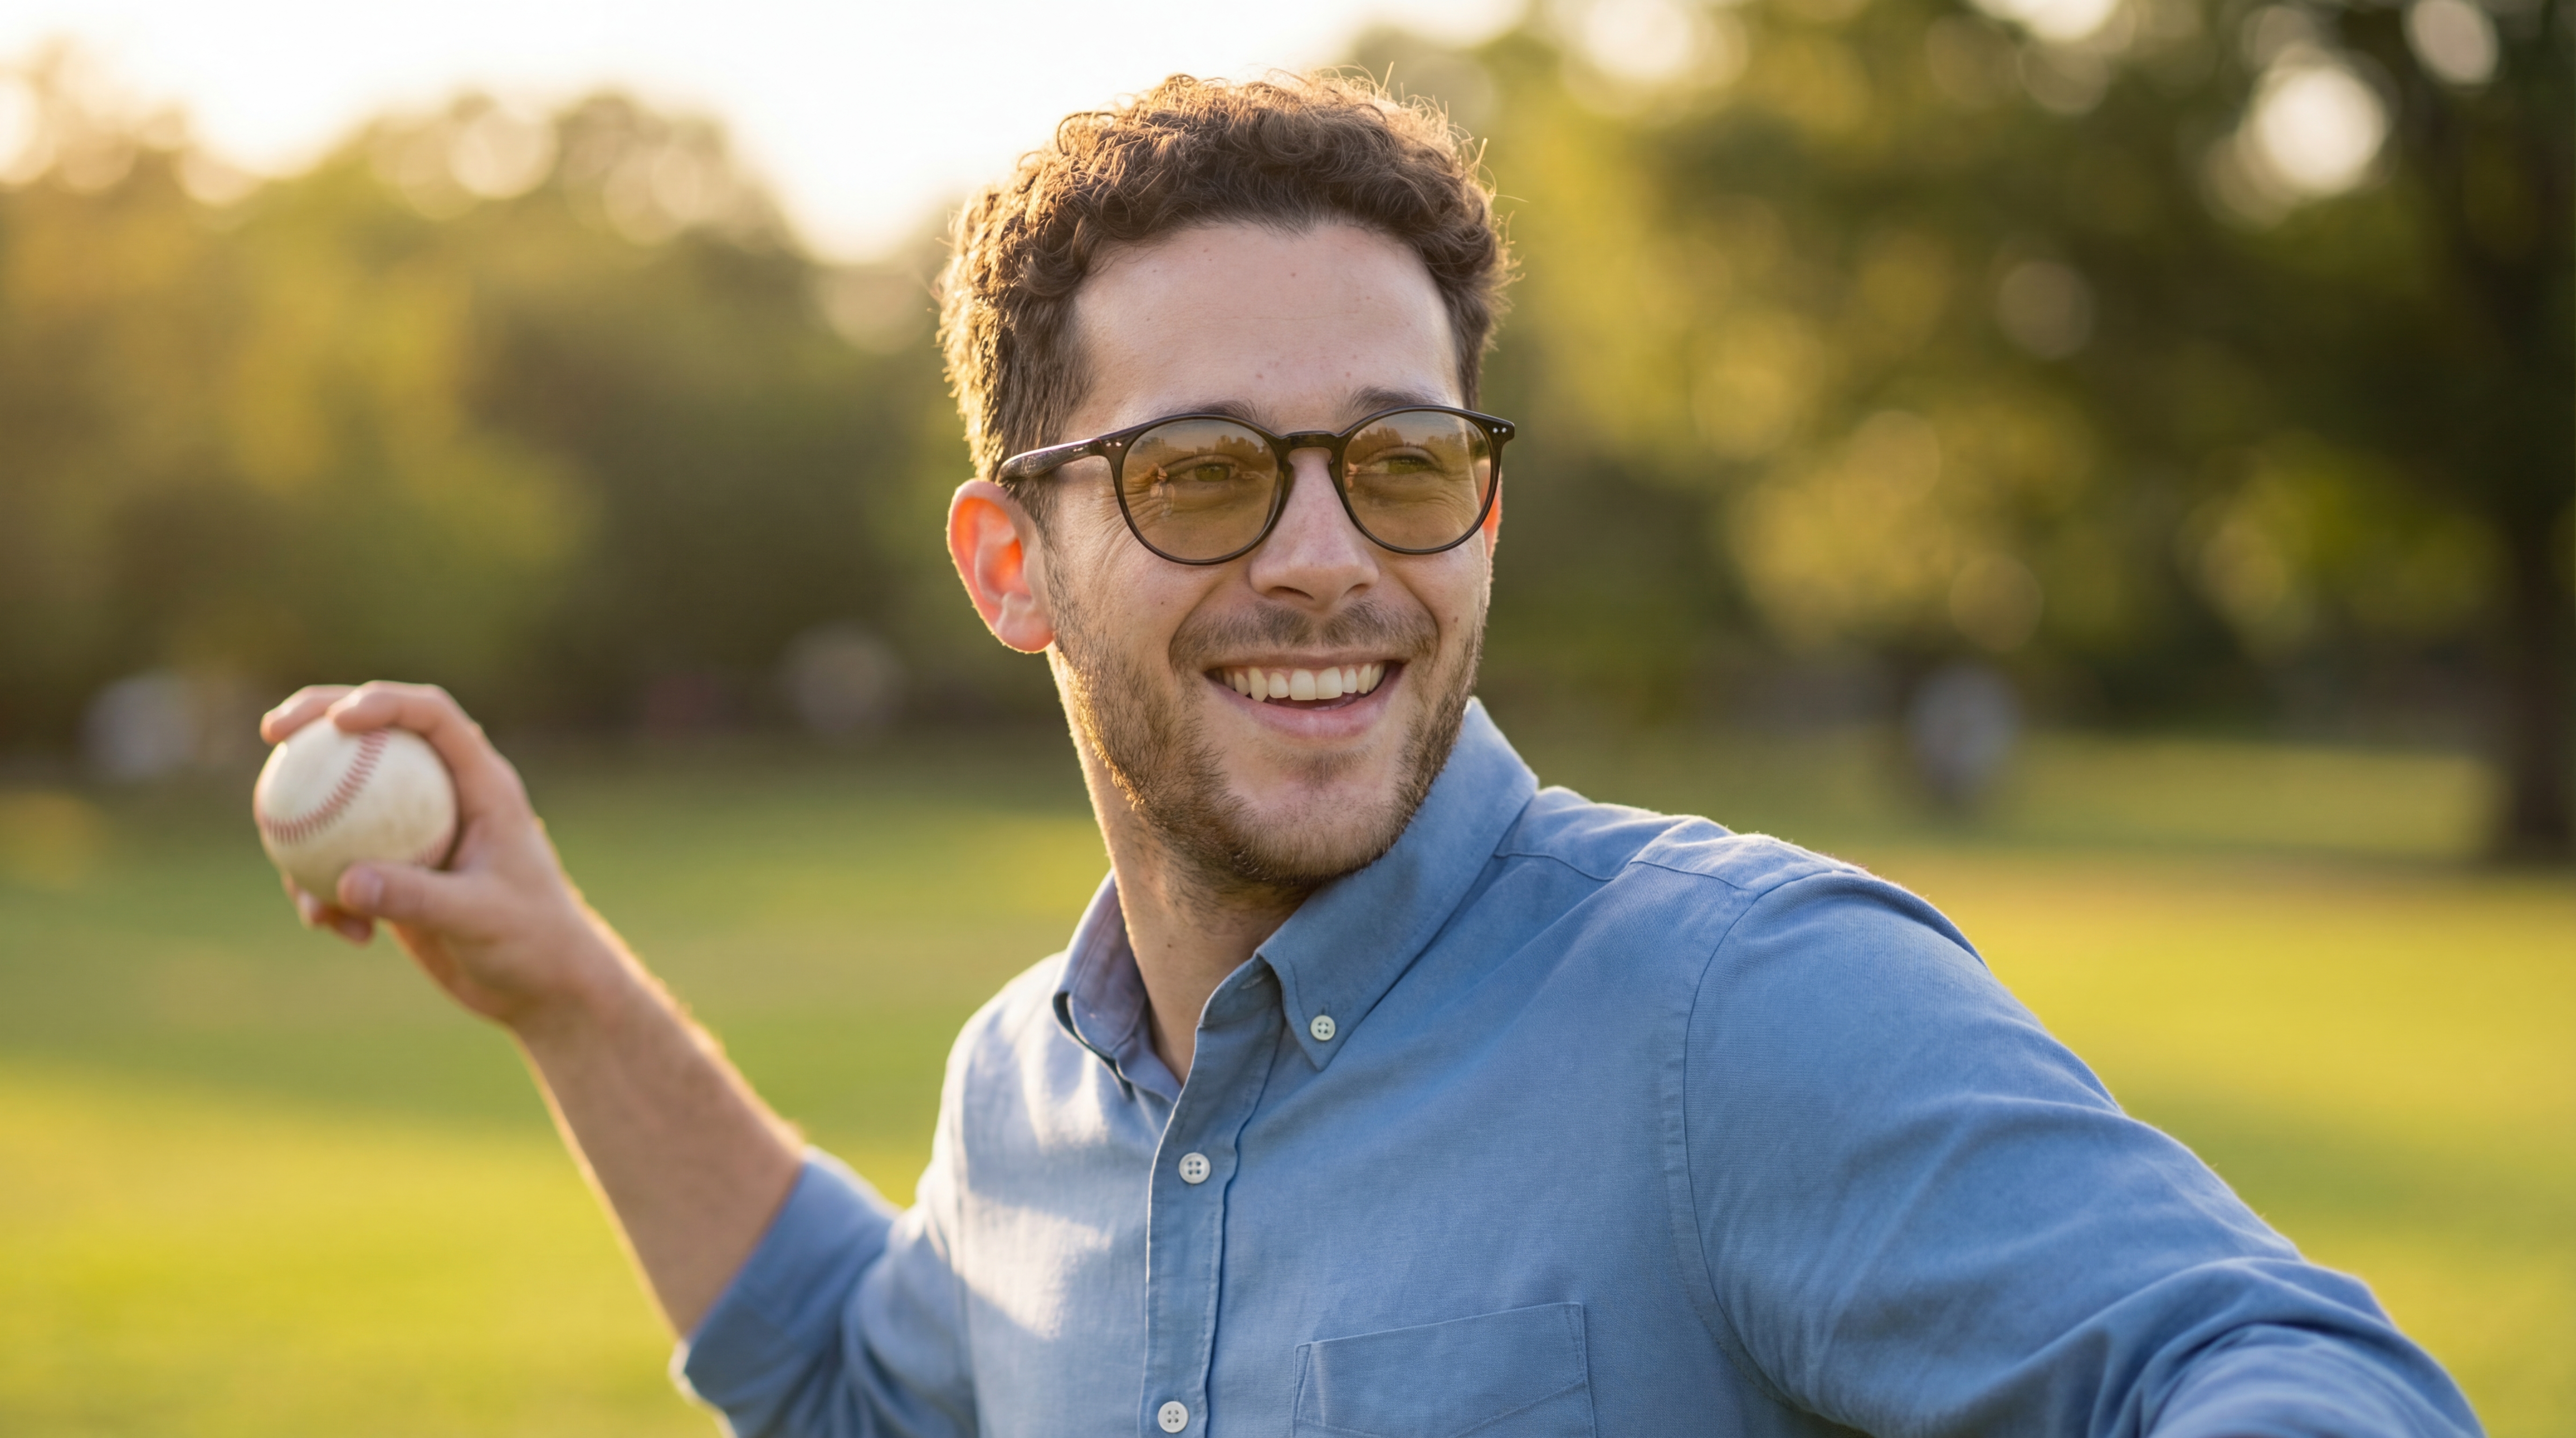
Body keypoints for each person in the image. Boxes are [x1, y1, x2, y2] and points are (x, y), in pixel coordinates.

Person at [260, 73, 2479, 1438]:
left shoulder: (1738, 1007)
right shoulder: (1019, 1094)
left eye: (1401, 466)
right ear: (1007, 564)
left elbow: (2280, 1377)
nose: (1329, 562)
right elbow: (864, 1381)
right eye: (1206, 473)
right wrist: (557, 979)